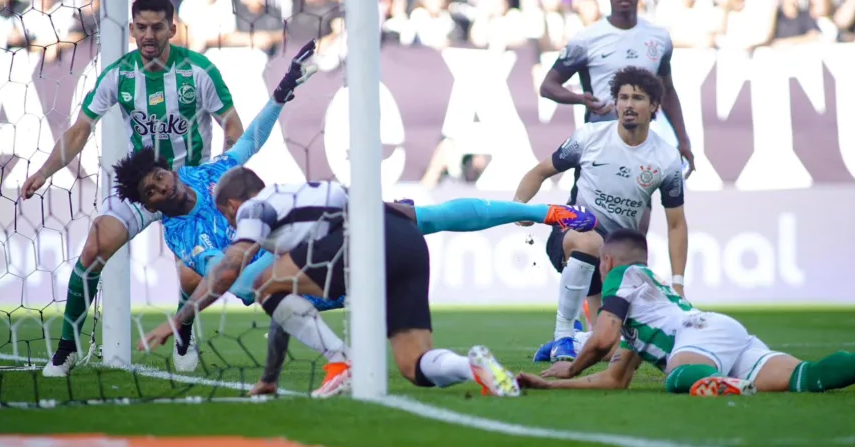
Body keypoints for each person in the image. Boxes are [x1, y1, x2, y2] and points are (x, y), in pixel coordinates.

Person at [138, 168, 598, 396]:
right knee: (414, 367)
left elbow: (230, 269)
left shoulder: (257, 210)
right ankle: (473, 366)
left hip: (354, 247)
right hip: (402, 240)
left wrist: (181, 317)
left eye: (226, 212)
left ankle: (341, 361)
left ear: (236, 203)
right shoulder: (314, 191)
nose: (230, 219)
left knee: (260, 286)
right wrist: (270, 378)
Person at [20, 0, 246, 377]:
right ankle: (66, 349)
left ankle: (184, 331)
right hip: (140, 187)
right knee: (94, 247)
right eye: (141, 27)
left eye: (157, 27)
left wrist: (223, 177)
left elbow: (233, 125)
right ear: (132, 29)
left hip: (189, 189)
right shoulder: (119, 75)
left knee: (191, 274)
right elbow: (80, 130)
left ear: (172, 29)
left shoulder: (198, 72)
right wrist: (44, 172)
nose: (149, 35)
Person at [110, 41, 318, 372]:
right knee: (207, 279)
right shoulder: (180, 234)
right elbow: (233, 280)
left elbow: (248, 143)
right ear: (150, 205)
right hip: (276, 280)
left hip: (299, 250)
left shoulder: (201, 173)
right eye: (151, 191)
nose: (162, 186)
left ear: (169, 169)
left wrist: (281, 92)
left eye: (160, 176)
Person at [517, 229, 855, 398]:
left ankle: (718, 382)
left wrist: (570, 367)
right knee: (805, 376)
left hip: (696, 338)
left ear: (605, 261)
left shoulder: (620, 276)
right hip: (722, 330)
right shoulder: (646, 305)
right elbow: (614, 380)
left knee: (676, 377)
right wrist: (549, 386)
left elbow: (601, 338)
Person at [514, 65, 687, 363]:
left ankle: (580, 338)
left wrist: (678, 283)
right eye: (623, 97)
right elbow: (540, 171)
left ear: (654, 106)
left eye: (638, 98)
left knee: (608, 349)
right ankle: (564, 336)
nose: (628, 105)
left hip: (616, 260)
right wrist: (520, 205)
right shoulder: (589, 137)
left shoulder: (667, 159)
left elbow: (676, 224)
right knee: (589, 240)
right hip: (572, 236)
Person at [538, 0, 696, 235]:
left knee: (633, 232)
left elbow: (667, 90)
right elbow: (548, 86)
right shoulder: (586, 39)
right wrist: (581, 99)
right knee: (586, 232)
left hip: (640, 146)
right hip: (598, 144)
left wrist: (683, 140)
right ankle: (569, 258)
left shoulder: (658, 38)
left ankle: (623, 272)